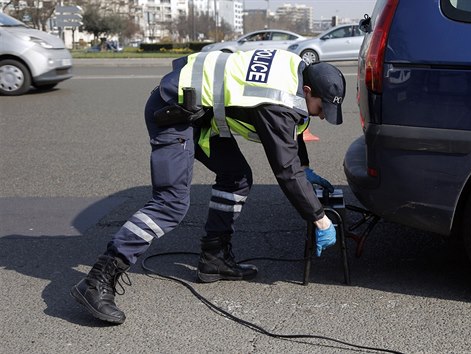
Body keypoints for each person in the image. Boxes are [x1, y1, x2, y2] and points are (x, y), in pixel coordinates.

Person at [70, 49, 346, 325]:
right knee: (171, 203)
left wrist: (305, 168)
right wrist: (319, 218)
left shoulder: (295, 70)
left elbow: (292, 132)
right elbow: (285, 169)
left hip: (201, 114)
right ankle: (98, 279)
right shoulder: (277, 102)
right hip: (172, 112)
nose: (322, 116)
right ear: (308, 90)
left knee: (236, 177)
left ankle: (214, 258)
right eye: (322, 108)